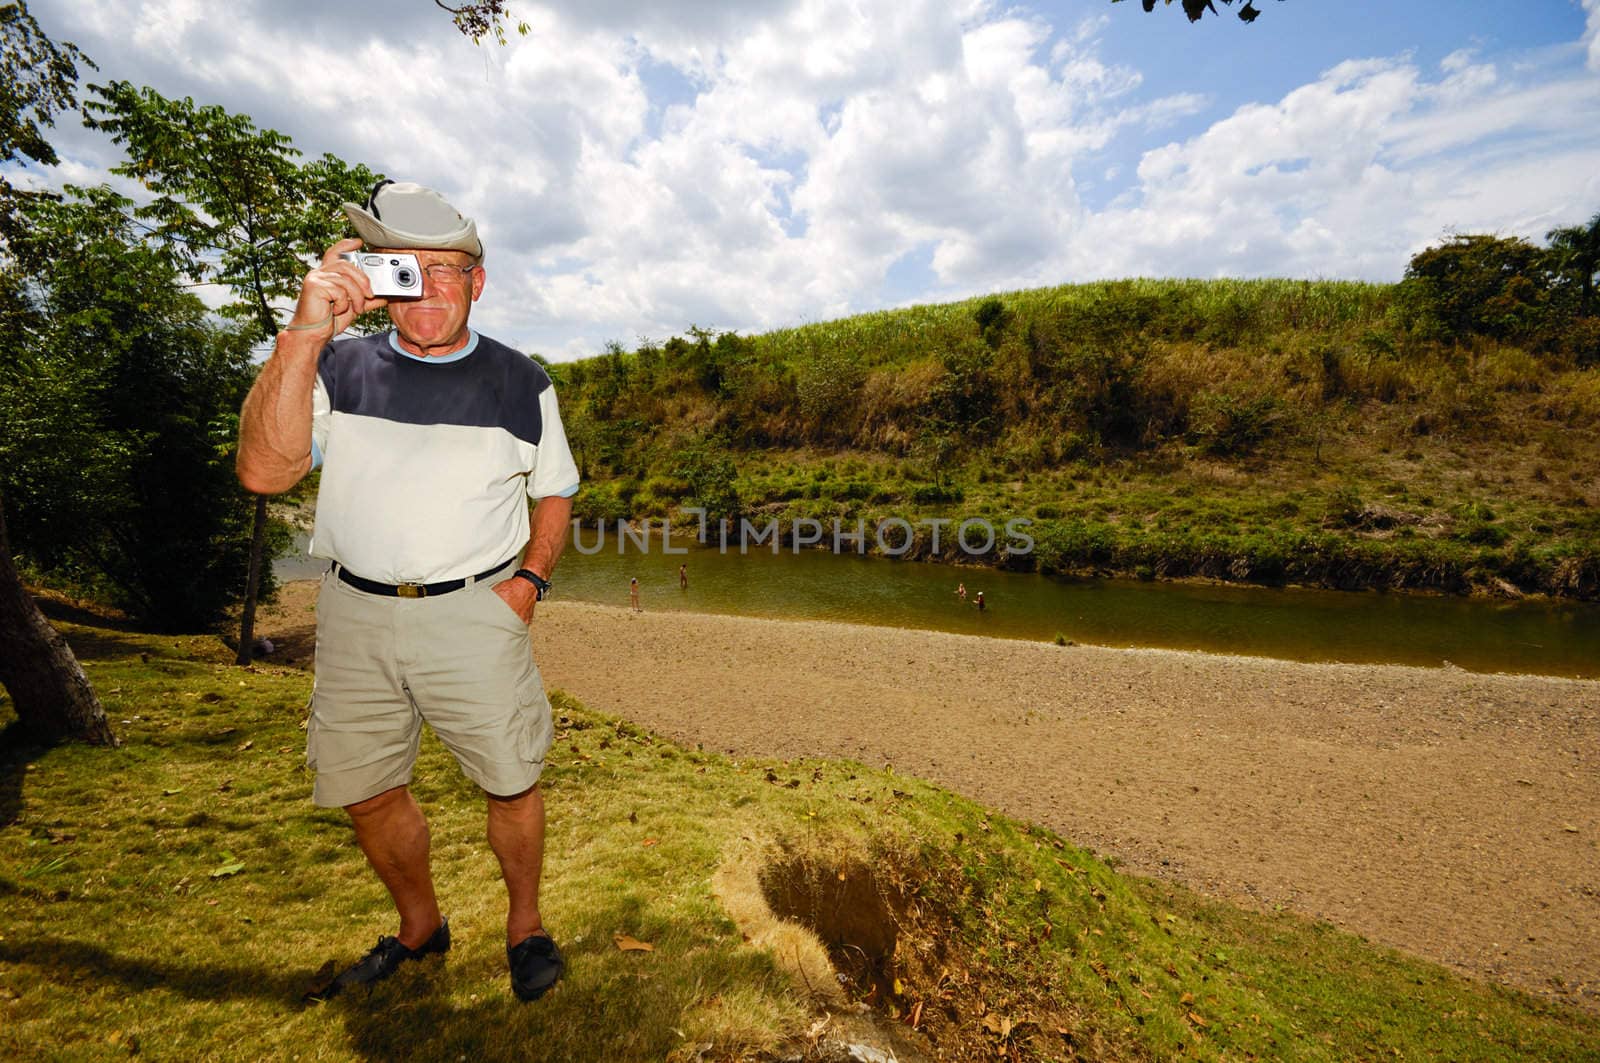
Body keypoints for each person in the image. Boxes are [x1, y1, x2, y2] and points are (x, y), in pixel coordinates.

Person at [236, 181, 579, 1004]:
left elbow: (556, 489)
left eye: (448, 270)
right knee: (366, 787)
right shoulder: (335, 365)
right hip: (354, 614)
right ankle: (421, 926)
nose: (428, 289)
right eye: (405, 270)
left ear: (478, 282)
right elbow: (264, 470)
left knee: (511, 779)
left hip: (476, 611)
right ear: (375, 275)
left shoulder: (520, 381)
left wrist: (529, 582)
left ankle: (524, 925)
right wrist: (305, 332)